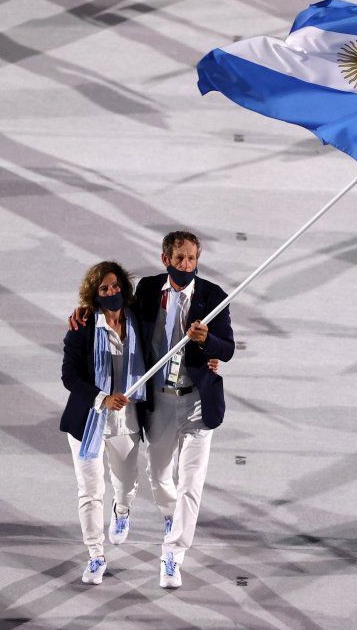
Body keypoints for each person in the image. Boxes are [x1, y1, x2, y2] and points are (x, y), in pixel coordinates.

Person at [71, 230, 234, 588]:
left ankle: (173, 555)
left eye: (192, 259)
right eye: (180, 259)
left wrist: (209, 343)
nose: (186, 265)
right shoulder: (146, 290)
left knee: (191, 484)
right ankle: (162, 514)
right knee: (160, 479)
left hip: (196, 403)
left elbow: (228, 348)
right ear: (166, 260)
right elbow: (115, 312)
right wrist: (84, 309)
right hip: (158, 401)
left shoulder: (213, 296)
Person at [60, 261, 147, 585]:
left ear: (123, 286)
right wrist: (101, 397)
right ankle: (95, 554)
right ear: (94, 296)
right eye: (104, 289)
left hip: (126, 422)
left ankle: (121, 512)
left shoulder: (139, 318)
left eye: (115, 286)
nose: (112, 292)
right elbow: (69, 376)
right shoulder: (83, 327)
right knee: (90, 492)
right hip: (88, 424)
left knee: (125, 484)